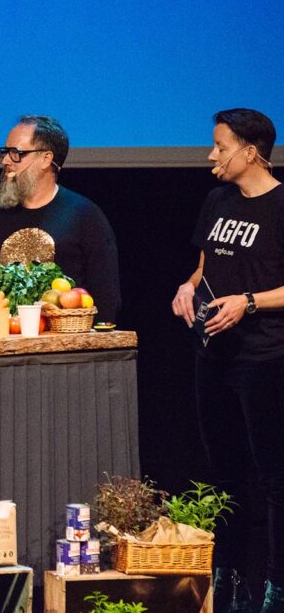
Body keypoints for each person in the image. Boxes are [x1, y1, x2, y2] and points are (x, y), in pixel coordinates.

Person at [171, 108, 284, 613]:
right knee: (226, 475)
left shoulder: (282, 205)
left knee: (274, 480)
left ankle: (274, 589)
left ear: (250, 152)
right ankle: (230, 585)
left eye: (220, 147)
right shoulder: (217, 200)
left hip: (266, 359)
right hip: (213, 356)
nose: (211, 156)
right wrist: (187, 287)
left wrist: (250, 302)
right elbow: (205, 263)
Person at [0, 115, 121, 322]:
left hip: (62, 346)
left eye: (16, 153)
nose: (6, 161)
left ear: (46, 159)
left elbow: (106, 299)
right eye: (5, 152)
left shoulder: (84, 216)